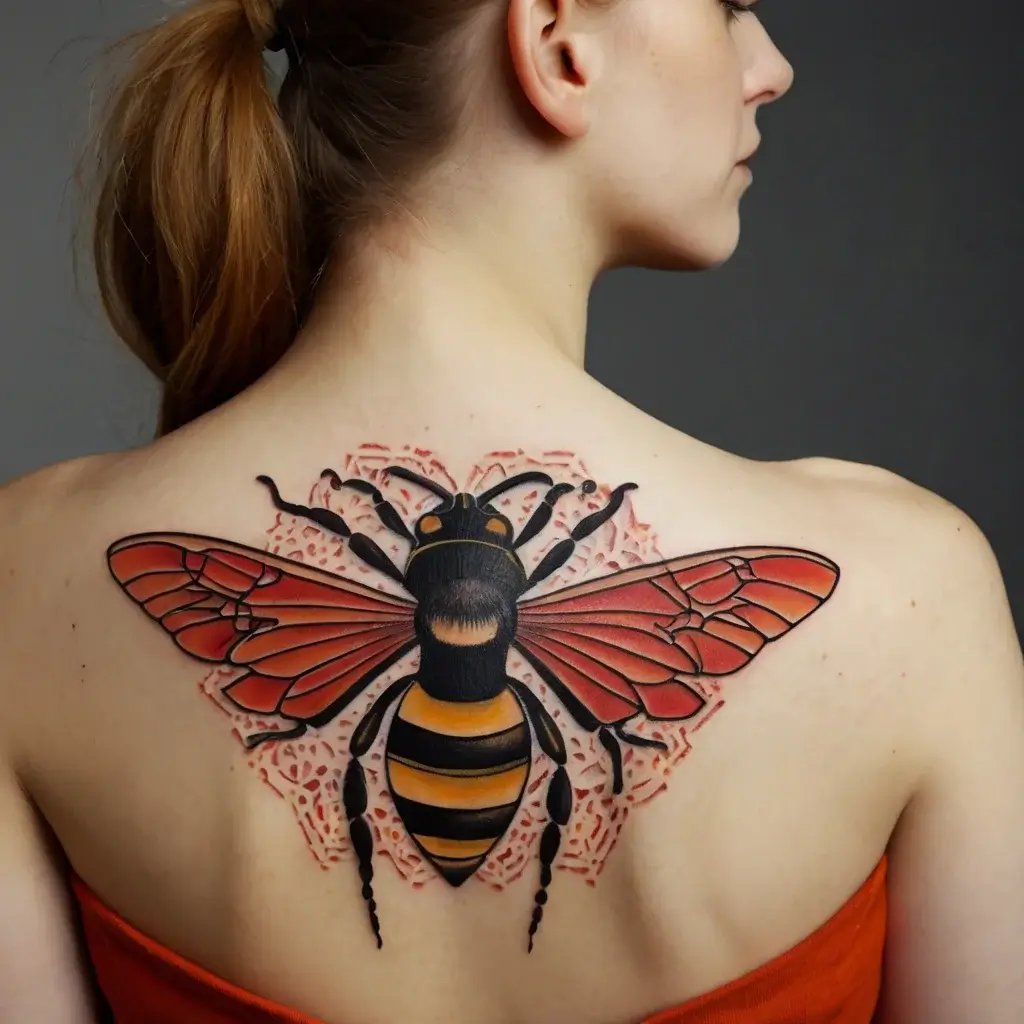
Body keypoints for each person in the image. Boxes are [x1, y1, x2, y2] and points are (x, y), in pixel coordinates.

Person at [1, 0, 1022, 1020]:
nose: (770, 66)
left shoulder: (30, 578)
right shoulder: (905, 597)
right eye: (727, 6)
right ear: (555, 45)